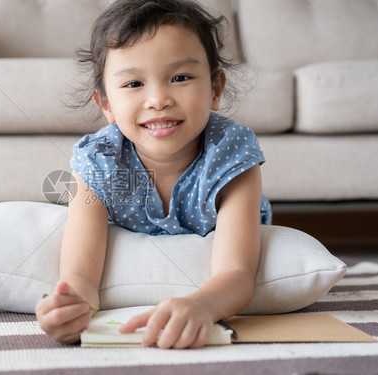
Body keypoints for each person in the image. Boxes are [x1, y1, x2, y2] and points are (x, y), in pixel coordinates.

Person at [35, 0, 272, 349]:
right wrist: (73, 306)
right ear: (106, 105)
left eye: (181, 78)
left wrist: (200, 306)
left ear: (215, 89)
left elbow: (237, 273)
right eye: (133, 84)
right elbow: (81, 272)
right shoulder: (99, 161)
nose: (158, 99)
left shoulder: (231, 154)